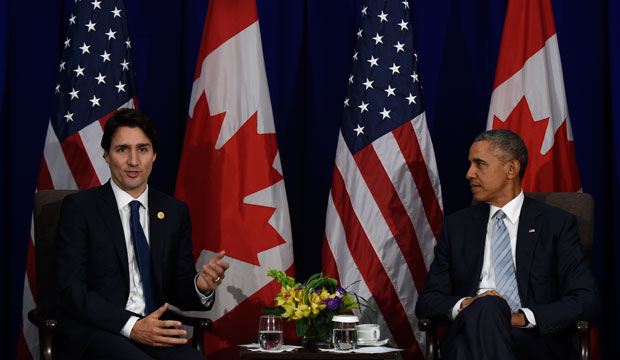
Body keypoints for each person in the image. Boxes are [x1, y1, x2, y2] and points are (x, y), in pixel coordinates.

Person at [55, 109, 229, 359]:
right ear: (106, 155)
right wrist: (132, 327)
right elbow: (71, 290)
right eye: (122, 149)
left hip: (155, 331)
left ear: (154, 155)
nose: (134, 161)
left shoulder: (174, 211)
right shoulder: (80, 209)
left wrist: (200, 285)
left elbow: (178, 286)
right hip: (99, 331)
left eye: (143, 149)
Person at [415, 129, 599, 359]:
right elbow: (428, 301)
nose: (469, 173)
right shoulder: (458, 226)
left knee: (483, 319)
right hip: (469, 327)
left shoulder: (556, 224)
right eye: (470, 164)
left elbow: (585, 299)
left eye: (479, 164)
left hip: (531, 340)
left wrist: (522, 317)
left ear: (511, 169)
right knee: (487, 307)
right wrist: (467, 304)